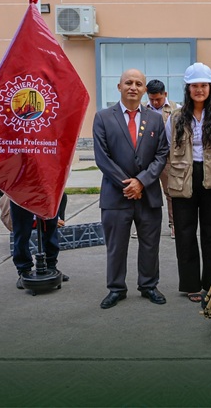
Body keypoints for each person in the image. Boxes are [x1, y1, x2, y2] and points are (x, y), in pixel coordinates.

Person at [93, 68, 169, 309]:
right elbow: (102, 157)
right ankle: (116, 288)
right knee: (116, 246)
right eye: (128, 83)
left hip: (148, 194)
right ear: (119, 87)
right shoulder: (103, 117)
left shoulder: (155, 119)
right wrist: (128, 184)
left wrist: (141, 181)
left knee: (150, 244)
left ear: (144, 89)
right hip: (116, 195)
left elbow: (162, 154)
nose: (133, 87)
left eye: (138, 83)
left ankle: (149, 285)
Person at [166, 63, 211, 303]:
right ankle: (191, 283)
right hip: (183, 179)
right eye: (194, 86)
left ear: (210, 88)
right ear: (187, 89)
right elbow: (166, 147)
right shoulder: (175, 118)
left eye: (204, 85)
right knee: (185, 232)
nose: (199, 90)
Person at [11, 193, 69, 289]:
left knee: (50, 228)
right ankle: (24, 271)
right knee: (22, 232)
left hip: (46, 189)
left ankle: (51, 266)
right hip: (20, 190)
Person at [146, 79, 178, 239]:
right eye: (151, 99)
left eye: (158, 99)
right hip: (147, 158)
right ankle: (144, 226)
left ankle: (174, 225)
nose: (155, 102)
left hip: (168, 157)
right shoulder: (142, 109)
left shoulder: (176, 109)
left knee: (171, 192)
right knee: (146, 192)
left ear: (165, 94)